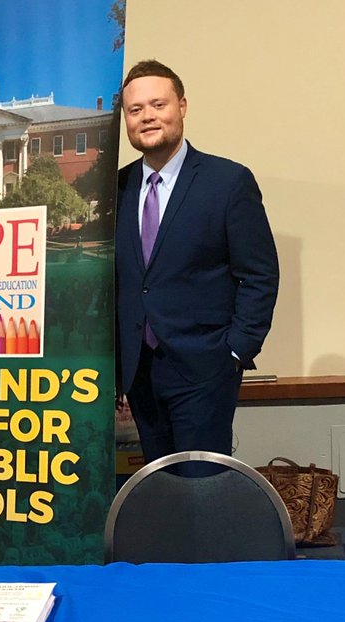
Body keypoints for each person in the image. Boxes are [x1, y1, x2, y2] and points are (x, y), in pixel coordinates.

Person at [115, 60, 278, 463]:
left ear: (182, 106)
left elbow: (259, 274)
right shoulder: (114, 189)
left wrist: (235, 352)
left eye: (158, 104)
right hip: (139, 373)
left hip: (205, 370)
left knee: (203, 493)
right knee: (159, 490)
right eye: (135, 110)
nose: (147, 117)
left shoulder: (227, 182)